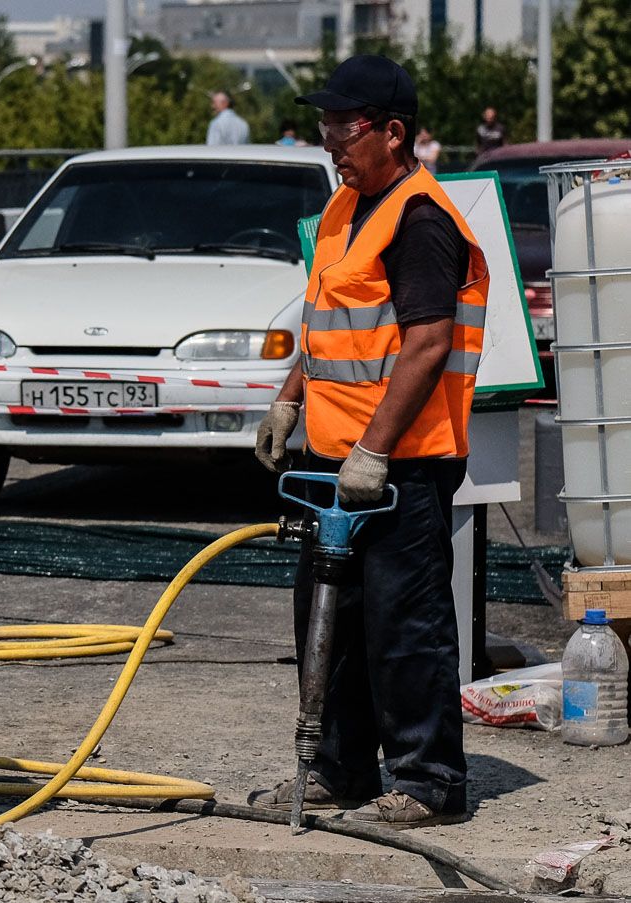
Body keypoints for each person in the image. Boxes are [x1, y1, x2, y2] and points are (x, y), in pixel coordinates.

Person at [251, 54, 489, 828]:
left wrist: (374, 450)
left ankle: (428, 780)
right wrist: (288, 402)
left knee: (403, 625)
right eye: (324, 125)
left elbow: (425, 343)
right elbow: (324, 328)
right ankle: (340, 769)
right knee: (331, 616)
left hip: (403, 467)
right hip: (338, 464)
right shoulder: (343, 209)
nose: (329, 141)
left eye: (342, 127)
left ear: (393, 132)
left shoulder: (421, 220)